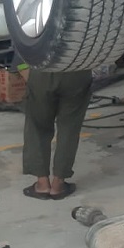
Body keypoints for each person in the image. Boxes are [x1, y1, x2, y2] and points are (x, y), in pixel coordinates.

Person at [21, 63, 93, 201]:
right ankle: (58, 184)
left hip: (42, 71)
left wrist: (31, 77)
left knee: (38, 126)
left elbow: (21, 54)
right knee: (69, 128)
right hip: (77, 72)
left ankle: (42, 184)